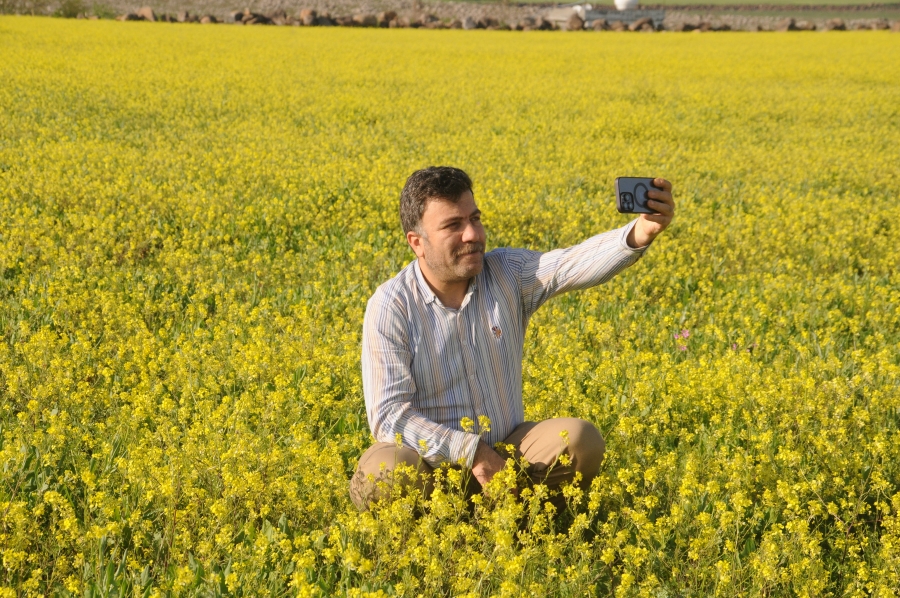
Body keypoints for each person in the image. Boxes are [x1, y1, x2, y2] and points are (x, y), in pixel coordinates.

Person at [350, 166, 675, 510]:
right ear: (417, 243)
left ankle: (524, 524)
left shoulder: (507, 273)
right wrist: (470, 450)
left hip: (509, 459)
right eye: (453, 225)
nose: (473, 234)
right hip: (431, 468)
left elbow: (568, 265)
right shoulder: (391, 305)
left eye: (474, 218)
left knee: (581, 439)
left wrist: (639, 233)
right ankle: (427, 539)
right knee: (382, 470)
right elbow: (389, 416)